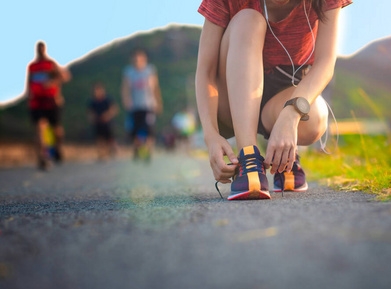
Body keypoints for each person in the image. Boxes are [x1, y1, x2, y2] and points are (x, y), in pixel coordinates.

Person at [195, 0, 352, 200]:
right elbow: (205, 72)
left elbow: (325, 64)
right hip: (232, 100)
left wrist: (291, 115)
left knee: (315, 118)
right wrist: (210, 135)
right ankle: (248, 158)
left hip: (282, 97)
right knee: (248, 18)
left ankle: (284, 157)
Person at [26, 41, 71, 169]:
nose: (40, 51)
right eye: (38, 49)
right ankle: (42, 157)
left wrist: (52, 83)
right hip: (37, 101)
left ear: (45, 49)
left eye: (42, 49)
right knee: (40, 128)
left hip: (51, 100)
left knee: (56, 129)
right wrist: (28, 97)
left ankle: (57, 148)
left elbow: (65, 77)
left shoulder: (51, 64)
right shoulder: (32, 66)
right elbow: (29, 82)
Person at [121, 49, 163, 160]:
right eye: (135, 59)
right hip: (134, 106)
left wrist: (158, 102)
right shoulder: (128, 72)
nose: (138, 61)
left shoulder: (150, 70)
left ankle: (148, 150)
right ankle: (137, 148)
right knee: (135, 129)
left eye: (140, 59)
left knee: (149, 129)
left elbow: (155, 87)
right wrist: (126, 100)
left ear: (145, 59)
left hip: (149, 105)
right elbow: (125, 88)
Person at [87, 82, 118, 160]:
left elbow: (114, 109)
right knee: (99, 138)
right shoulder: (93, 101)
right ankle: (101, 154)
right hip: (98, 122)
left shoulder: (107, 99)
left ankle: (111, 149)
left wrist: (107, 115)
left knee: (109, 138)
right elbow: (90, 112)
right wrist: (92, 118)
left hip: (107, 123)